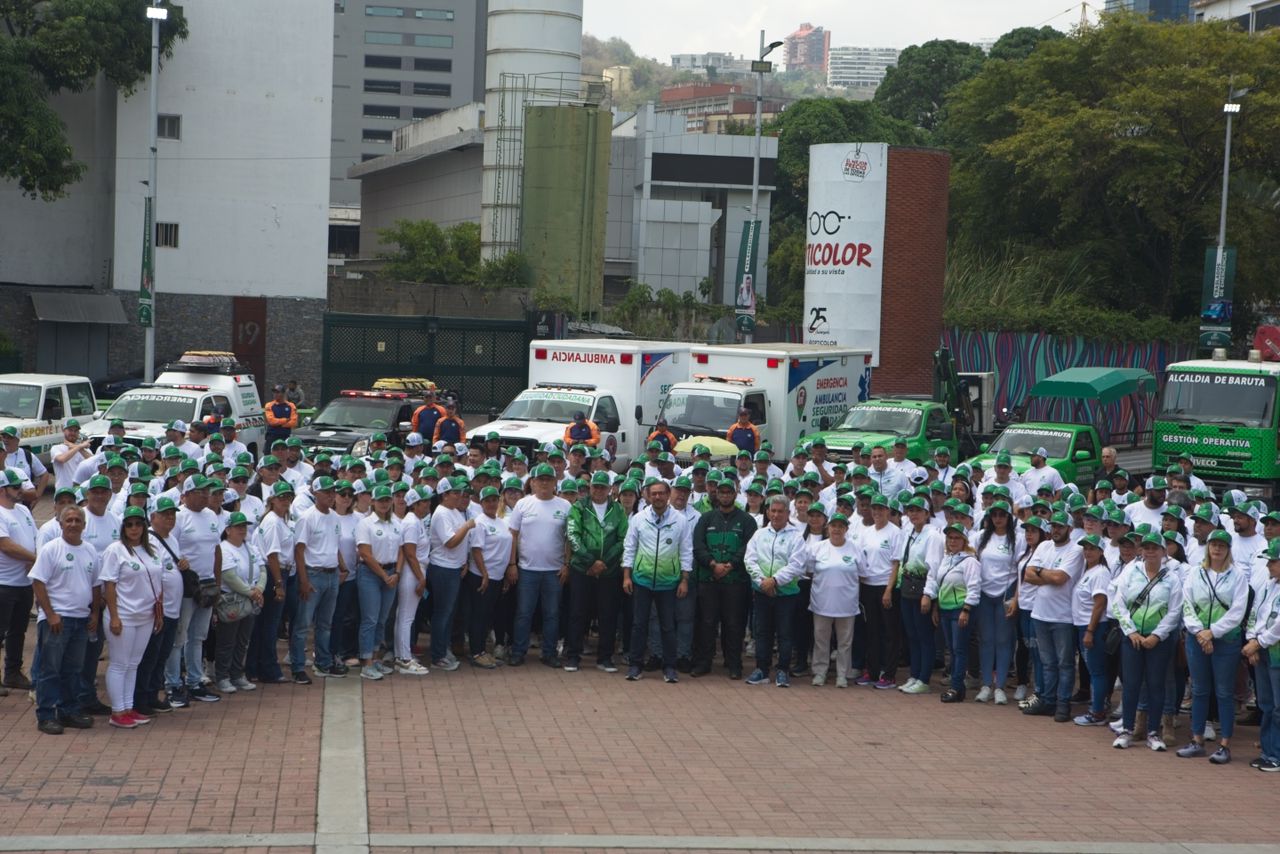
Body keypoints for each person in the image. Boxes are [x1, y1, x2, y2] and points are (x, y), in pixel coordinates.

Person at [1177, 528, 1249, 764]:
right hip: (1197, 640)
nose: (1217, 549)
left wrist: (1212, 632)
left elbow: (1237, 611)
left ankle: (1225, 744)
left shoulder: (1237, 576)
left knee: (1224, 692)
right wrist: (1200, 633)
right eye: (1213, 544)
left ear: (1228, 549)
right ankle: (1197, 739)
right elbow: (1187, 603)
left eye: (1222, 545)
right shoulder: (1196, 573)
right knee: (1199, 689)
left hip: (1226, 641)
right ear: (1208, 547)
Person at [1109, 532, 1183, 751]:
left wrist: (1156, 635)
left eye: (1155, 548)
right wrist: (1131, 632)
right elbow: (1119, 602)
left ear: (1163, 552)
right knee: (1131, 685)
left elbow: (1175, 610)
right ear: (1142, 551)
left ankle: (1153, 732)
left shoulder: (1172, 578)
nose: (1150, 552)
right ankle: (1127, 730)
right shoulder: (1130, 571)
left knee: (1156, 685)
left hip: (1158, 641)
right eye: (1147, 548)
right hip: (1132, 638)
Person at [30, 505, 100, 734]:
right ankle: (47, 715)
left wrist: (95, 613)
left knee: (73, 669)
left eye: (77, 520)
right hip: (57, 620)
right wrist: (50, 614)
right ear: (60, 524)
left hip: (81, 620)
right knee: (50, 669)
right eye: (68, 520)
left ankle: (69, 711)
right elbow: (38, 582)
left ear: (84, 525)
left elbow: (96, 585)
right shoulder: (51, 549)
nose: (72, 524)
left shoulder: (90, 551)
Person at [98, 506, 164, 728]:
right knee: (119, 663)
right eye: (129, 524)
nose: (134, 528)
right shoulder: (115, 550)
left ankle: (128, 707)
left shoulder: (152, 549)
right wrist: (114, 616)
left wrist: (158, 613)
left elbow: (157, 582)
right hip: (123, 616)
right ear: (123, 527)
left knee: (134, 664)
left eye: (138, 523)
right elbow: (109, 585)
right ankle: (117, 712)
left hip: (145, 616)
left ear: (145, 526)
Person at [622, 480, 693, 683]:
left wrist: (684, 580)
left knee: (668, 626)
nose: (658, 497)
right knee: (639, 624)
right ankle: (635, 665)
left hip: (669, 582)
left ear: (668, 494)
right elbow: (629, 548)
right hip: (642, 580)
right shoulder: (638, 519)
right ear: (647, 495)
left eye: (661, 493)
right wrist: (627, 576)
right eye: (653, 494)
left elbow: (686, 552)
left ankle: (669, 667)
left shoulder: (680, 521)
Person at [1022, 511, 1085, 721]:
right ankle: (1048, 701)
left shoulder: (1076, 550)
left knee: (1065, 663)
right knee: (1047, 661)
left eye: (1060, 526)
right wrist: (1046, 573)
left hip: (1063, 616)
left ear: (1069, 528)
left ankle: (1063, 703)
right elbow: (1028, 575)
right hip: (1040, 612)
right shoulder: (1043, 545)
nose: (1055, 530)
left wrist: (1041, 572)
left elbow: (1060, 578)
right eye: (1053, 526)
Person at [507, 463, 571, 668]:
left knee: (552, 614)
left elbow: (570, 539)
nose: (544, 482)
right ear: (532, 482)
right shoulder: (523, 505)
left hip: (554, 570)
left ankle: (549, 653)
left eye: (548, 479)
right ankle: (518, 651)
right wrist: (512, 564)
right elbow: (513, 535)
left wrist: (567, 564)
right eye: (540, 479)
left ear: (555, 482)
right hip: (527, 569)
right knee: (523, 612)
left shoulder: (565, 506)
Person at [692, 480, 757, 680]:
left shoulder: (746, 520)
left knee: (733, 624)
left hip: (735, 581)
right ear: (717, 494)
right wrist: (713, 564)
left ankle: (734, 664)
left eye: (729, 492)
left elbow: (749, 547)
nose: (726, 495)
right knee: (707, 623)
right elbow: (698, 546)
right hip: (708, 579)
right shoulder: (706, 519)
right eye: (722, 492)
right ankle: (704, 663)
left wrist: (730, 565)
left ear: (736, 493)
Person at [565, 472, 627, 673]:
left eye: (603, 487)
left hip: (609, 572)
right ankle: (573, 656)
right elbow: (572, 535)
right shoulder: (579, 507)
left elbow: (623, 539)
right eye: (595, 487)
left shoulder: (618, 509)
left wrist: (604, 562)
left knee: (607, 615)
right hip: (582, 570)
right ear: (590, 488)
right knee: (577, 613)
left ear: (610, 489)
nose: (599, 491)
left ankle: (605, 658)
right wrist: (591, 561)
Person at [742, 495, 801, 687]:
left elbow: (796, 565)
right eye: (773, 511)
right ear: (767, 512)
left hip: (787, 594)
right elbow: (749, 560)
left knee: (785, 633)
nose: (776, 515)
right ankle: (762, 670)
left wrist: (774, 581)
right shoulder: (759, 535)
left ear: (787, 513)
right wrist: (762, 583)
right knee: (762, 632)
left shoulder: (796, 536)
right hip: (761, 593)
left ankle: (783, 670)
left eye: (780, 511)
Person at [291, 478, 347, 683]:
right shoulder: (307, 517)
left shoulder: (335, 517)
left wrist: (343, 567)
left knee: (325, 624)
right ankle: (297, 666)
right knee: (303, 625)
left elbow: (335, 545)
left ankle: (323, 662)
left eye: (333, 491)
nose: (331, 495)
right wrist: (303, 580)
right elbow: (299, 550)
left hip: (332, 574)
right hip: (313, 573)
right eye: (326, 492)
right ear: (315, 494)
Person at [922, 524, 981, 703]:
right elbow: (937, 583)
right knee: (952, 650)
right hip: (945, 609)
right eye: (950, 538)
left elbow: (974, 587)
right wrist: (935, 606)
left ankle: (956, 686)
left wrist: (966, 610)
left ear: (964, 540)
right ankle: (956, 687)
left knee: (959, 649)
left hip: (960, 610)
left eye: (956, 538)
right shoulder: (946, 559)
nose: (952, 541)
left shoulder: (970, 561)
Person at [972, 500, 1023, 705]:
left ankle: (1000, 686)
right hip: (984, 593)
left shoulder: (1017, 539)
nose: (998, 519)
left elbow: (1021, 570)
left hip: (1006, 592)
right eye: (994, 515)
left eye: (1002, 515)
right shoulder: (980, 538)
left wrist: (1016, 598)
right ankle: (986, 685)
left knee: (1003, 640)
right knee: (986, 640)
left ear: (1009, 517)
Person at [137, 497, 184, 714]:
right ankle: (142, 698)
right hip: (158, 611)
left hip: (173, 609)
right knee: (150, 656)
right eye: (165, 514)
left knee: (162, 655)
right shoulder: (150, 541)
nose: (170, 518)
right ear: (152, 517)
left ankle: (154, 694)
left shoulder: (172, 538)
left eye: (172, 514)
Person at [247, 481, 295, 683]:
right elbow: (273, 555)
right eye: (281, 497)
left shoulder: (279, 520)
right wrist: (278, 584)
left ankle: (254, 668)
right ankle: (268, 668)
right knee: (269, 625)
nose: (285, 500)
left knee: (263, 624)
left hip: (274, 571)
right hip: (272, 572)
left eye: (288, 497)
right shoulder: (273, 521)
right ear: (272, 499)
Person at [213, 511, 265, 694]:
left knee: (243, 640)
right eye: (238, 527)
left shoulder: (250, 547)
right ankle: (222, 676)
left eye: (244, 526)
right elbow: (229, 577)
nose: (242, 530)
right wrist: (252, 592)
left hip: (250, 598)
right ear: (228, 530)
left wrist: (259, 589)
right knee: (227, 641)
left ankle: (237, 674)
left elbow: (262, 569)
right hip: (232, 600)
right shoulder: (224, 548)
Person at [354, 485, 403, 681]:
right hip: (371, 574)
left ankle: (375, 658)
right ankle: (365, 662)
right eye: (380, 500)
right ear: (372, 502)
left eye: (387, 500)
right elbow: (365, 553)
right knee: (370, 619)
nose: (384, 503)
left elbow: (402, 550)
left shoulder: (397, 523)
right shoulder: (365, 524)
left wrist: (397, 572)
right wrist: (384, 575)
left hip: (391, 572)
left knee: (382, 619)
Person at [896, 497, 943, 695]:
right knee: (912, 635)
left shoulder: (932, 535)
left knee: (924, 636)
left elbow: (933, 566)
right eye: (911, 510)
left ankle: (924, 678)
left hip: (922, 588)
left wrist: (928, 594)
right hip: (907, 587)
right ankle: (914, 675)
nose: (914, 514)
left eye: (918, 511)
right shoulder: (909, 532)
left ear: (926, 513)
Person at [855, 493, 903, 689]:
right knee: (871, 631)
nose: (876, 512)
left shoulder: (895, 532)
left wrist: (889, 590)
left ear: (888, 511)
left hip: (886, 587)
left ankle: (889, 674)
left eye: (881, 509)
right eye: (874, 508)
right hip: (868, 586)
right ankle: (872, 671)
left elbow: (896, 564)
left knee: (890, 632)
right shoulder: (867, 532)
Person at [465, 486, 513, 670]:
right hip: (481, 576)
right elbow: (476, 550)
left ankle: (483, 651)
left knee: (487, 616)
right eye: (487, 501)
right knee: (479, 615)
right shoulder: (480, 522)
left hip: (497, 576)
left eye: (494, 500)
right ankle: (476, 653)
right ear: (482, 503)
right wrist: (484, 574)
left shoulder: (501, 522)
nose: (491, 504)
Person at [1243, 539, 1280, 772]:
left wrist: (1258, 643)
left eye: (1274, 561)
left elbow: (1278, 626)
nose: (1269, 565)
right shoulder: (1269, 584)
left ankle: (1276, 754)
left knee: (1278, 707)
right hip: (1262, 651)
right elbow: (1255, 612)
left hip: (1276, 654)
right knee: (1266, 704)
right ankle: (1268, 751)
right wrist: (1251, 639)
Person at [427, 478, 471, 670]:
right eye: (455, 492)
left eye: (460, 492)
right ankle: (438, 655)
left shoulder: (454, 512)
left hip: (454, 567)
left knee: (449, 613)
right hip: (442, 568)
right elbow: (451, 542)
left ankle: (444, 650)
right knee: (442, 613)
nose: (459, 495)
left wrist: (464, 562)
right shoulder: (442, 513)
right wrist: (467, 526)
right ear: (444, 495)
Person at [0, 468, 38, 694]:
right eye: (16, 487)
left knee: (18, 631)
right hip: (3, 583)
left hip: (23, 583)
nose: (20, 490)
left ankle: (13, 672)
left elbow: (36, 535)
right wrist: (35, 558)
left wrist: (37, 556)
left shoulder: (23, 510)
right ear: (3, 489)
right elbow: (5, 545)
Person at [1072, 534, 1113, 727]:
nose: (1088, 552)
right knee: (1094, 670)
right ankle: (1098, 708)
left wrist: (1090, 630)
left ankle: (1098, 713)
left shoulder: (1100, 573)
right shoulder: (1088, 570)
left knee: (1097, 671)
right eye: (1085, 548)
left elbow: (1100, 603)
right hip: (1084, 626)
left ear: (1101, 551)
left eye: (1092, 548)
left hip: (1093, 627)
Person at [391, 488, 430, 676]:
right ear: (415, 504)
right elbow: (410, 554)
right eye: (424, 501)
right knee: (406, 617)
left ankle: (402, 656)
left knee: (404, 616)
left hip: (415, 570)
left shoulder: (416, 521)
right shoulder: (412, 523)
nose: (428, 504)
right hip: (412, 572)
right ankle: (404, 659)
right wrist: (421, 578)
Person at [49, 418, 93, 491]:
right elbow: (62, 459)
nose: (73, 433)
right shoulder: (56, 448)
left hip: (82, 491)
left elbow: (93, 463)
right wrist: (79, 446)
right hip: (64, 492)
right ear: (64, 431)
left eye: (75, 431)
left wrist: (79, 448)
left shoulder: (84, 450)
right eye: (70, 430)